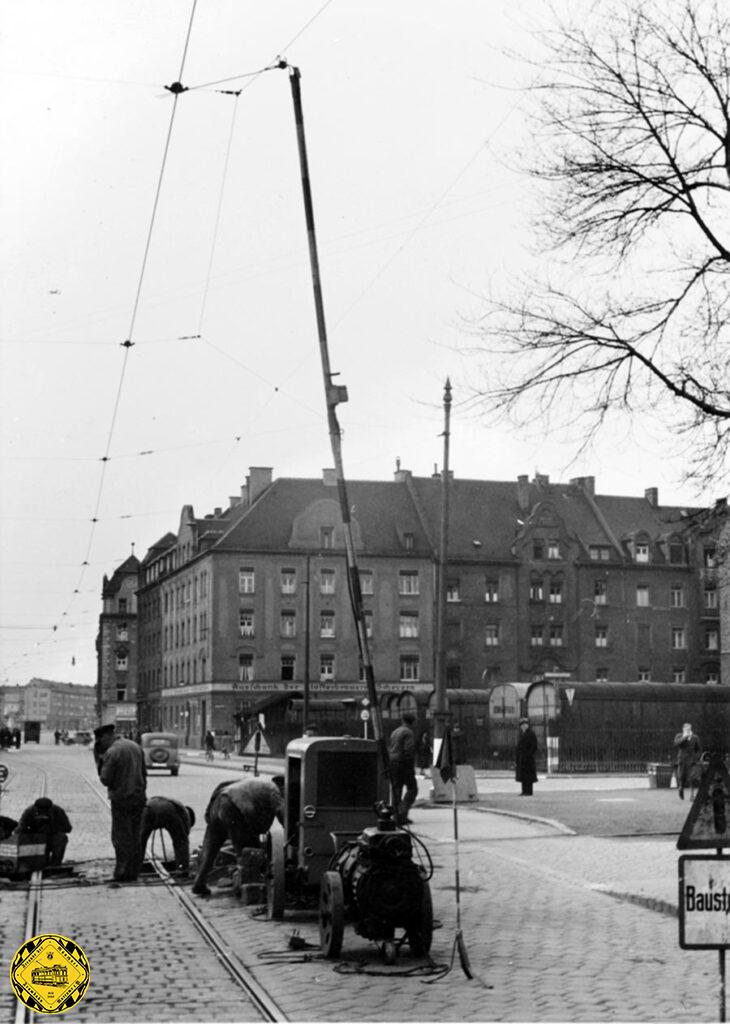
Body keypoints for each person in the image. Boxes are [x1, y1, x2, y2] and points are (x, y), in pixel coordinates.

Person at [192, 776, 284, 896]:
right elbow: (280, 812)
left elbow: (222, 785)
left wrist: (209, 812)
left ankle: (199, 883)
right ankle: (243, 887)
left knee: (211, 847)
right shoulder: (274, 789)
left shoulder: (255, 781)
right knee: (243, 849)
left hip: (220, 800)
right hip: (232, 807)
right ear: (282, 786)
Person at [95, 723, 147, 882]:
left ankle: (121, 872)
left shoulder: (112, 752)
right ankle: (133, 872)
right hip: (138, 798)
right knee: (135, 835)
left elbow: (105, 779)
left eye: (100, 740)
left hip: (121, 799)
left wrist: (99, 761)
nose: (100, 744)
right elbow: (144, 773)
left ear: (106, 736)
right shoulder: (135, 746)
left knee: (120, 836)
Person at [140, 796, 195, 873]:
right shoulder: (185, 813)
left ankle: (135, 867)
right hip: (167, 809)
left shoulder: (177, 805)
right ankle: (182, 869)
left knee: (140, 841)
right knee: (181, 841)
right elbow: (184, 836)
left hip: (149, 807)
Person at [16, 797, 72, 866]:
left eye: (45, 811)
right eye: (40, 811)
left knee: (62, 838)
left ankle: (55, 863)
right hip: (36, 839)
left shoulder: (58, 811)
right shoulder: (29, 812)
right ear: (36, 808)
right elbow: (19, 829)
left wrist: (51, 829)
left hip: (52, 837)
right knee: (23, 838)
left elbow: (68, 828)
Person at [388, 711, 418, 825]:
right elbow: (408, 750)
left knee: (396, 789)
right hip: (403, 763)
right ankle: (402, 813)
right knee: (412, 789)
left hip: (393, 762)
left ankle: (396, 816)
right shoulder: (408, 732)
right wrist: (410, 766)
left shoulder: (395, 731)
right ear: (412, 722)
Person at [674, 722, 702, 800]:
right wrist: (685, 737)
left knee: (691, 777)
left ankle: (692, 795)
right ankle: (681, 788)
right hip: (682, 759)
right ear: (683, 729)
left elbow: (699, 749)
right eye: (686, 729)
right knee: (681, 777)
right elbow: (676, 744)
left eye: (689, 729)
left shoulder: (695, 738)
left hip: (691, 760)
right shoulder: (679, 736)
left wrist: (696, 757)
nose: (688, 730)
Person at [515, 717, 538, 796]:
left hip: (528, 759)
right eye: (522, 725)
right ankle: (524, 791)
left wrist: (529, 754)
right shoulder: (522, 734)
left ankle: (529, 791)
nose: (523, 727)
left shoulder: (531, 734)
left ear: (527, 725)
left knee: (528, 776)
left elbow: (534, 746)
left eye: (524, 725)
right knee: (523, 776)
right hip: (522, 758)